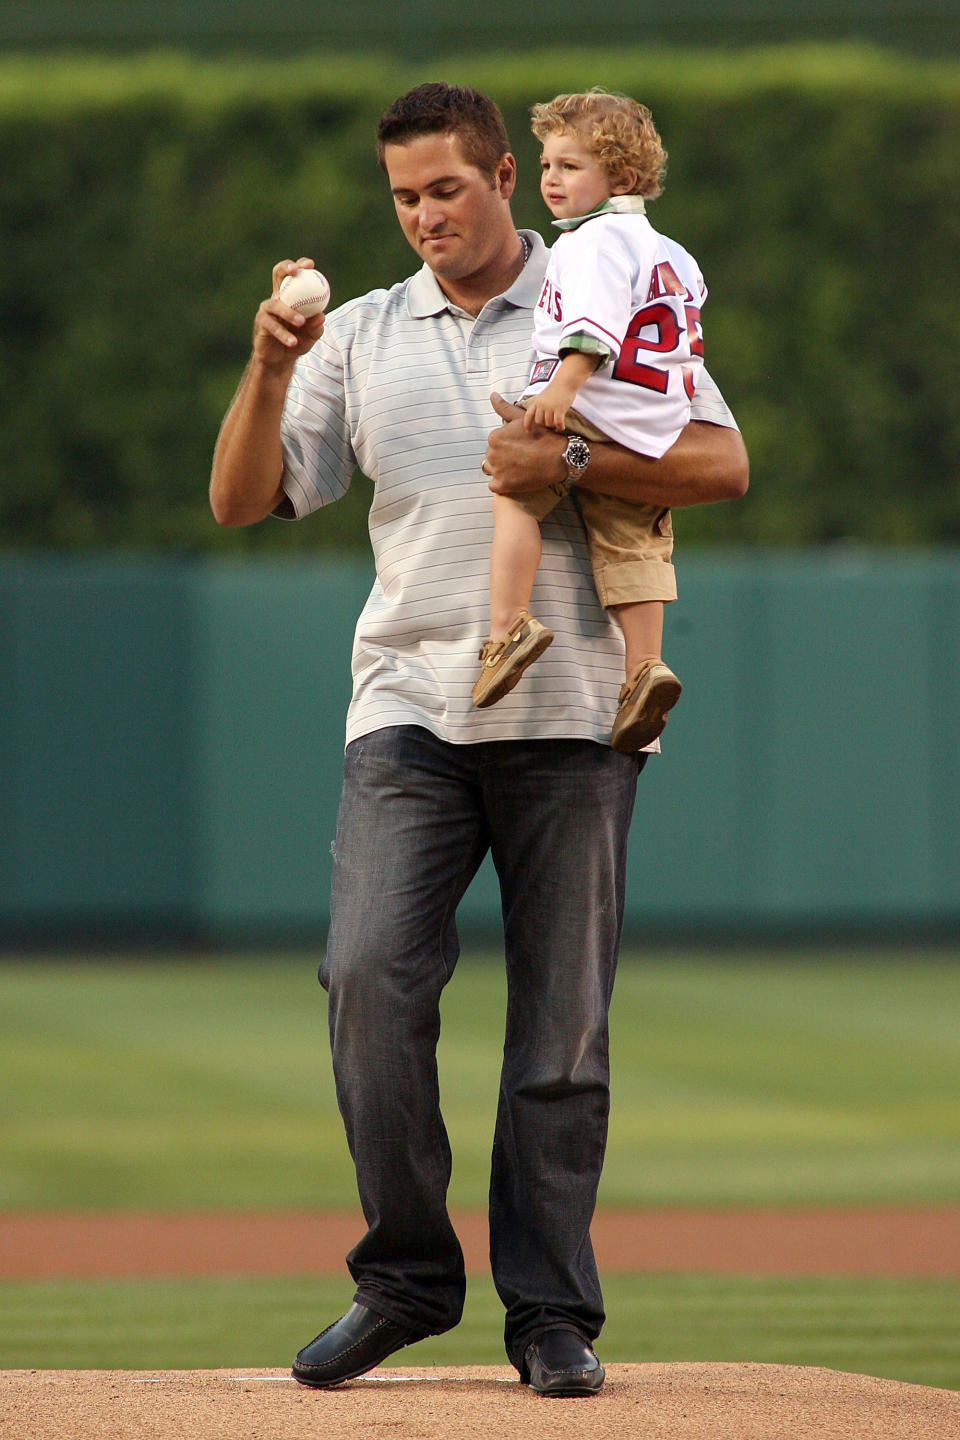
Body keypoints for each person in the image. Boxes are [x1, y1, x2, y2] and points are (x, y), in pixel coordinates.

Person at [210, 81, 747, 1397]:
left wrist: (565, 465)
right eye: (402, 196)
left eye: (446, 188)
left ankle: (551, 1316)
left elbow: (720, 463)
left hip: (571, 720)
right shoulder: (358, 332)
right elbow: (243, 498)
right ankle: (404, 1279)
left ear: (506, 175)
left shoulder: (590, 283)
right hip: (409, 713)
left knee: (562, 1038)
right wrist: (273, 359)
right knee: (365, 982)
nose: (423, 216)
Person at [473, 90, 703, 754]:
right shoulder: (671, 252)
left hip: (590, 403)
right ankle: (643, 671)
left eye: (570, 166)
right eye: (548, 164)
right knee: (634, 544)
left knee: (514, 493)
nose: (551, 178)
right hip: (652, 419)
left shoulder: (587, 243)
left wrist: (559, 391)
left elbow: (592, 330)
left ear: (622, 179)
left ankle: (509, 625)